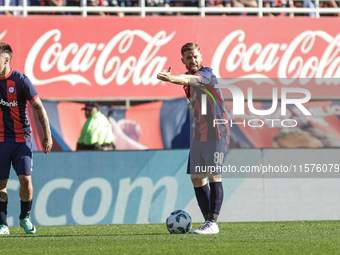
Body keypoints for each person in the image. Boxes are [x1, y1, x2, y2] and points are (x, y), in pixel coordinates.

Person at [157, 42, 230, 234]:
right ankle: (208, 222)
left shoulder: (207, 74)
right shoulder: (187, 81)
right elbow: (187, 82)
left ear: (201, 57)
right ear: (183, 60)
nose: (193, 60)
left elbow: (191, 80)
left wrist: (172, 78)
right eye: (189, 57)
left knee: (214, 175)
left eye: (196, 56)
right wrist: (177, 79)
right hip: (200, 133)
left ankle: (212, 223)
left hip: (216, 131)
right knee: (197, 178)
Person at [0, 43, 53, 235]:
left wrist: (47, 135)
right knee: (1, 183)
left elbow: (39, 107)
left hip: (22, 139)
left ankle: (24, 218)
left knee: (26, 181)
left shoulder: (21, 80)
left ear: (6, 60)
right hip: (1, 140)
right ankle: (2, 224)